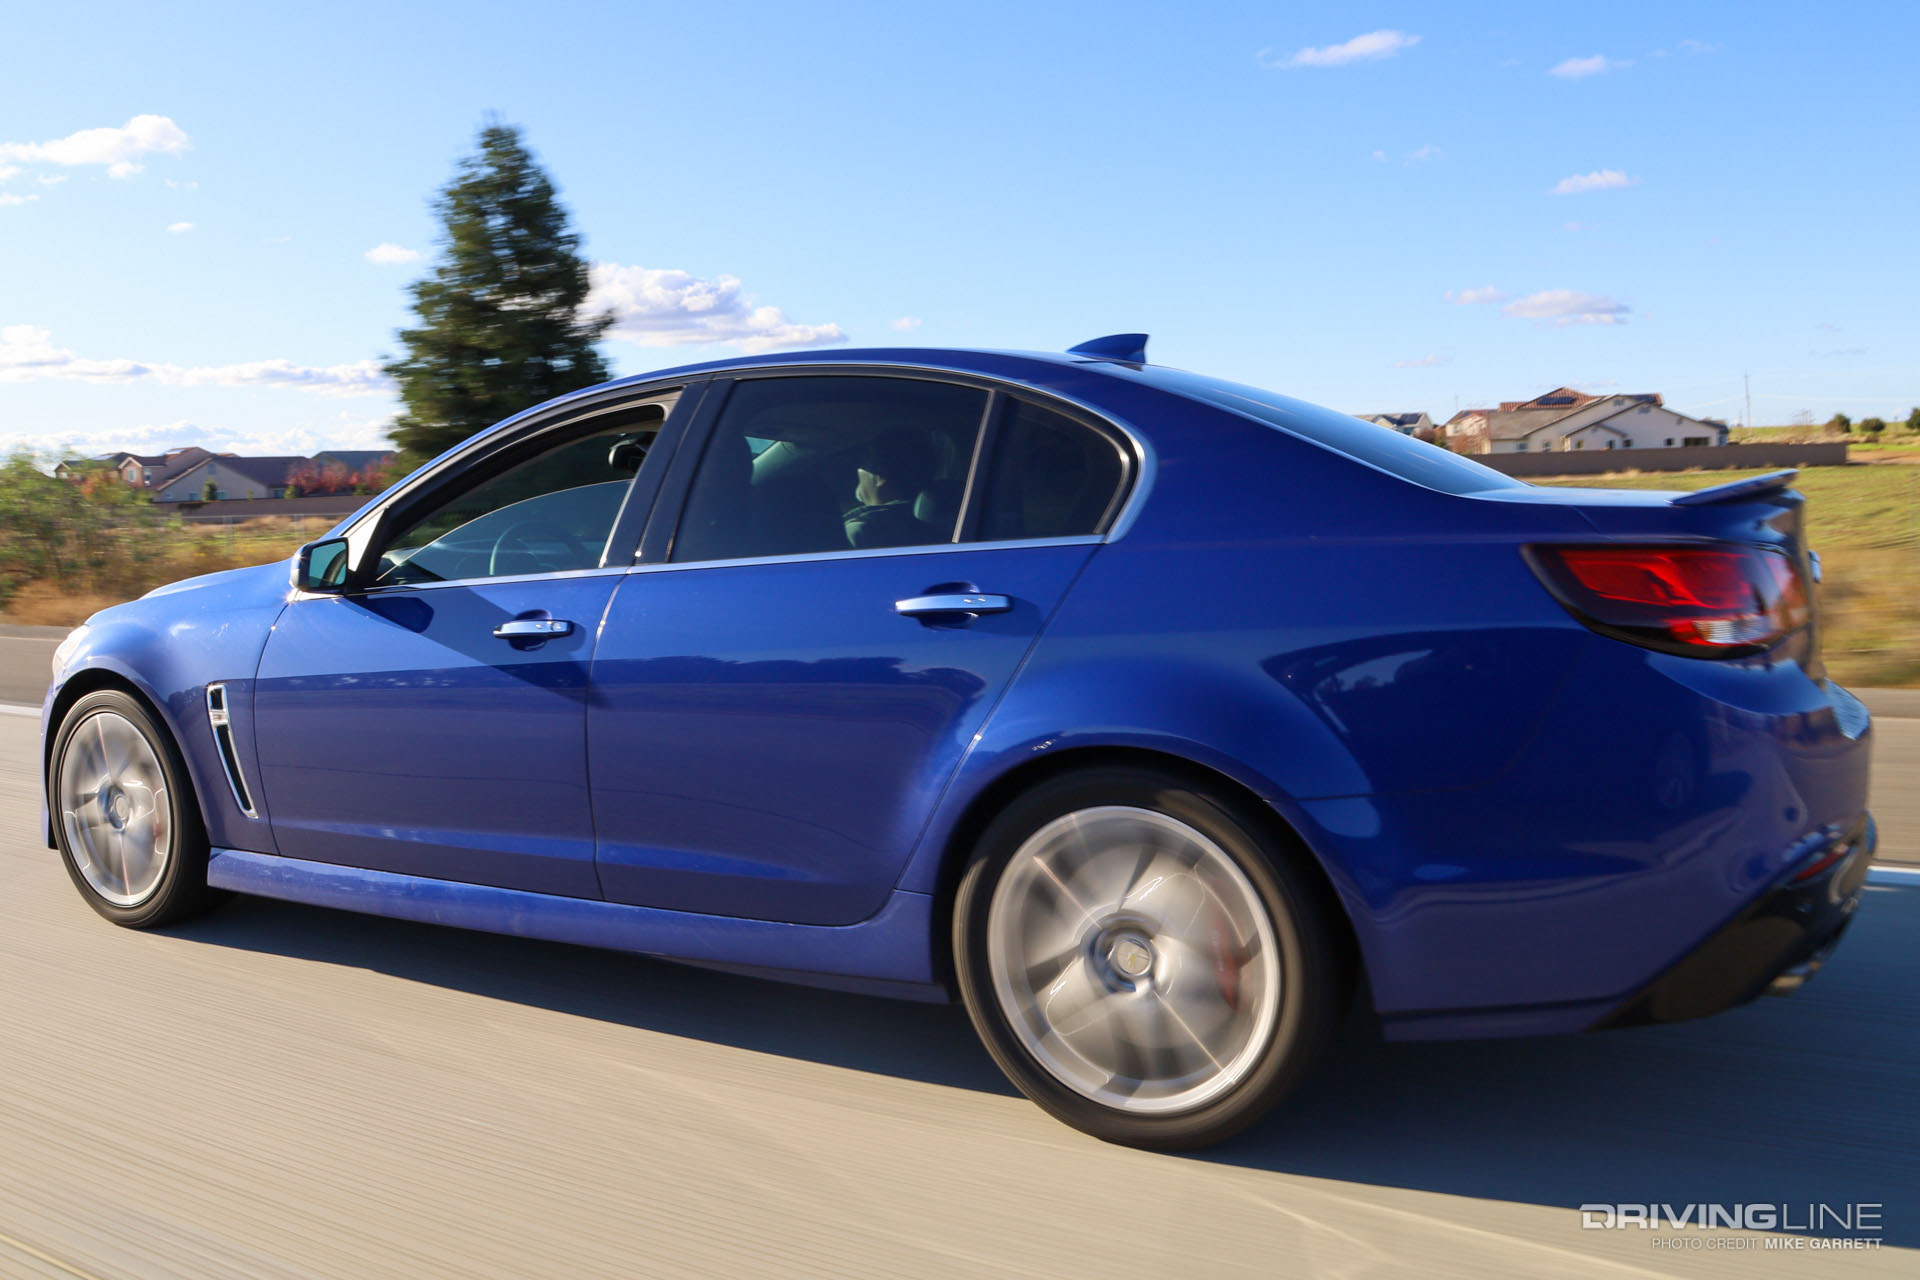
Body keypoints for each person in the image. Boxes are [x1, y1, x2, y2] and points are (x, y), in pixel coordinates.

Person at [843, 428, 937, 549]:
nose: (858, 471)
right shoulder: (937, 532)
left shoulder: (857, 533)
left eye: (863, 463)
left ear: (879, 477)